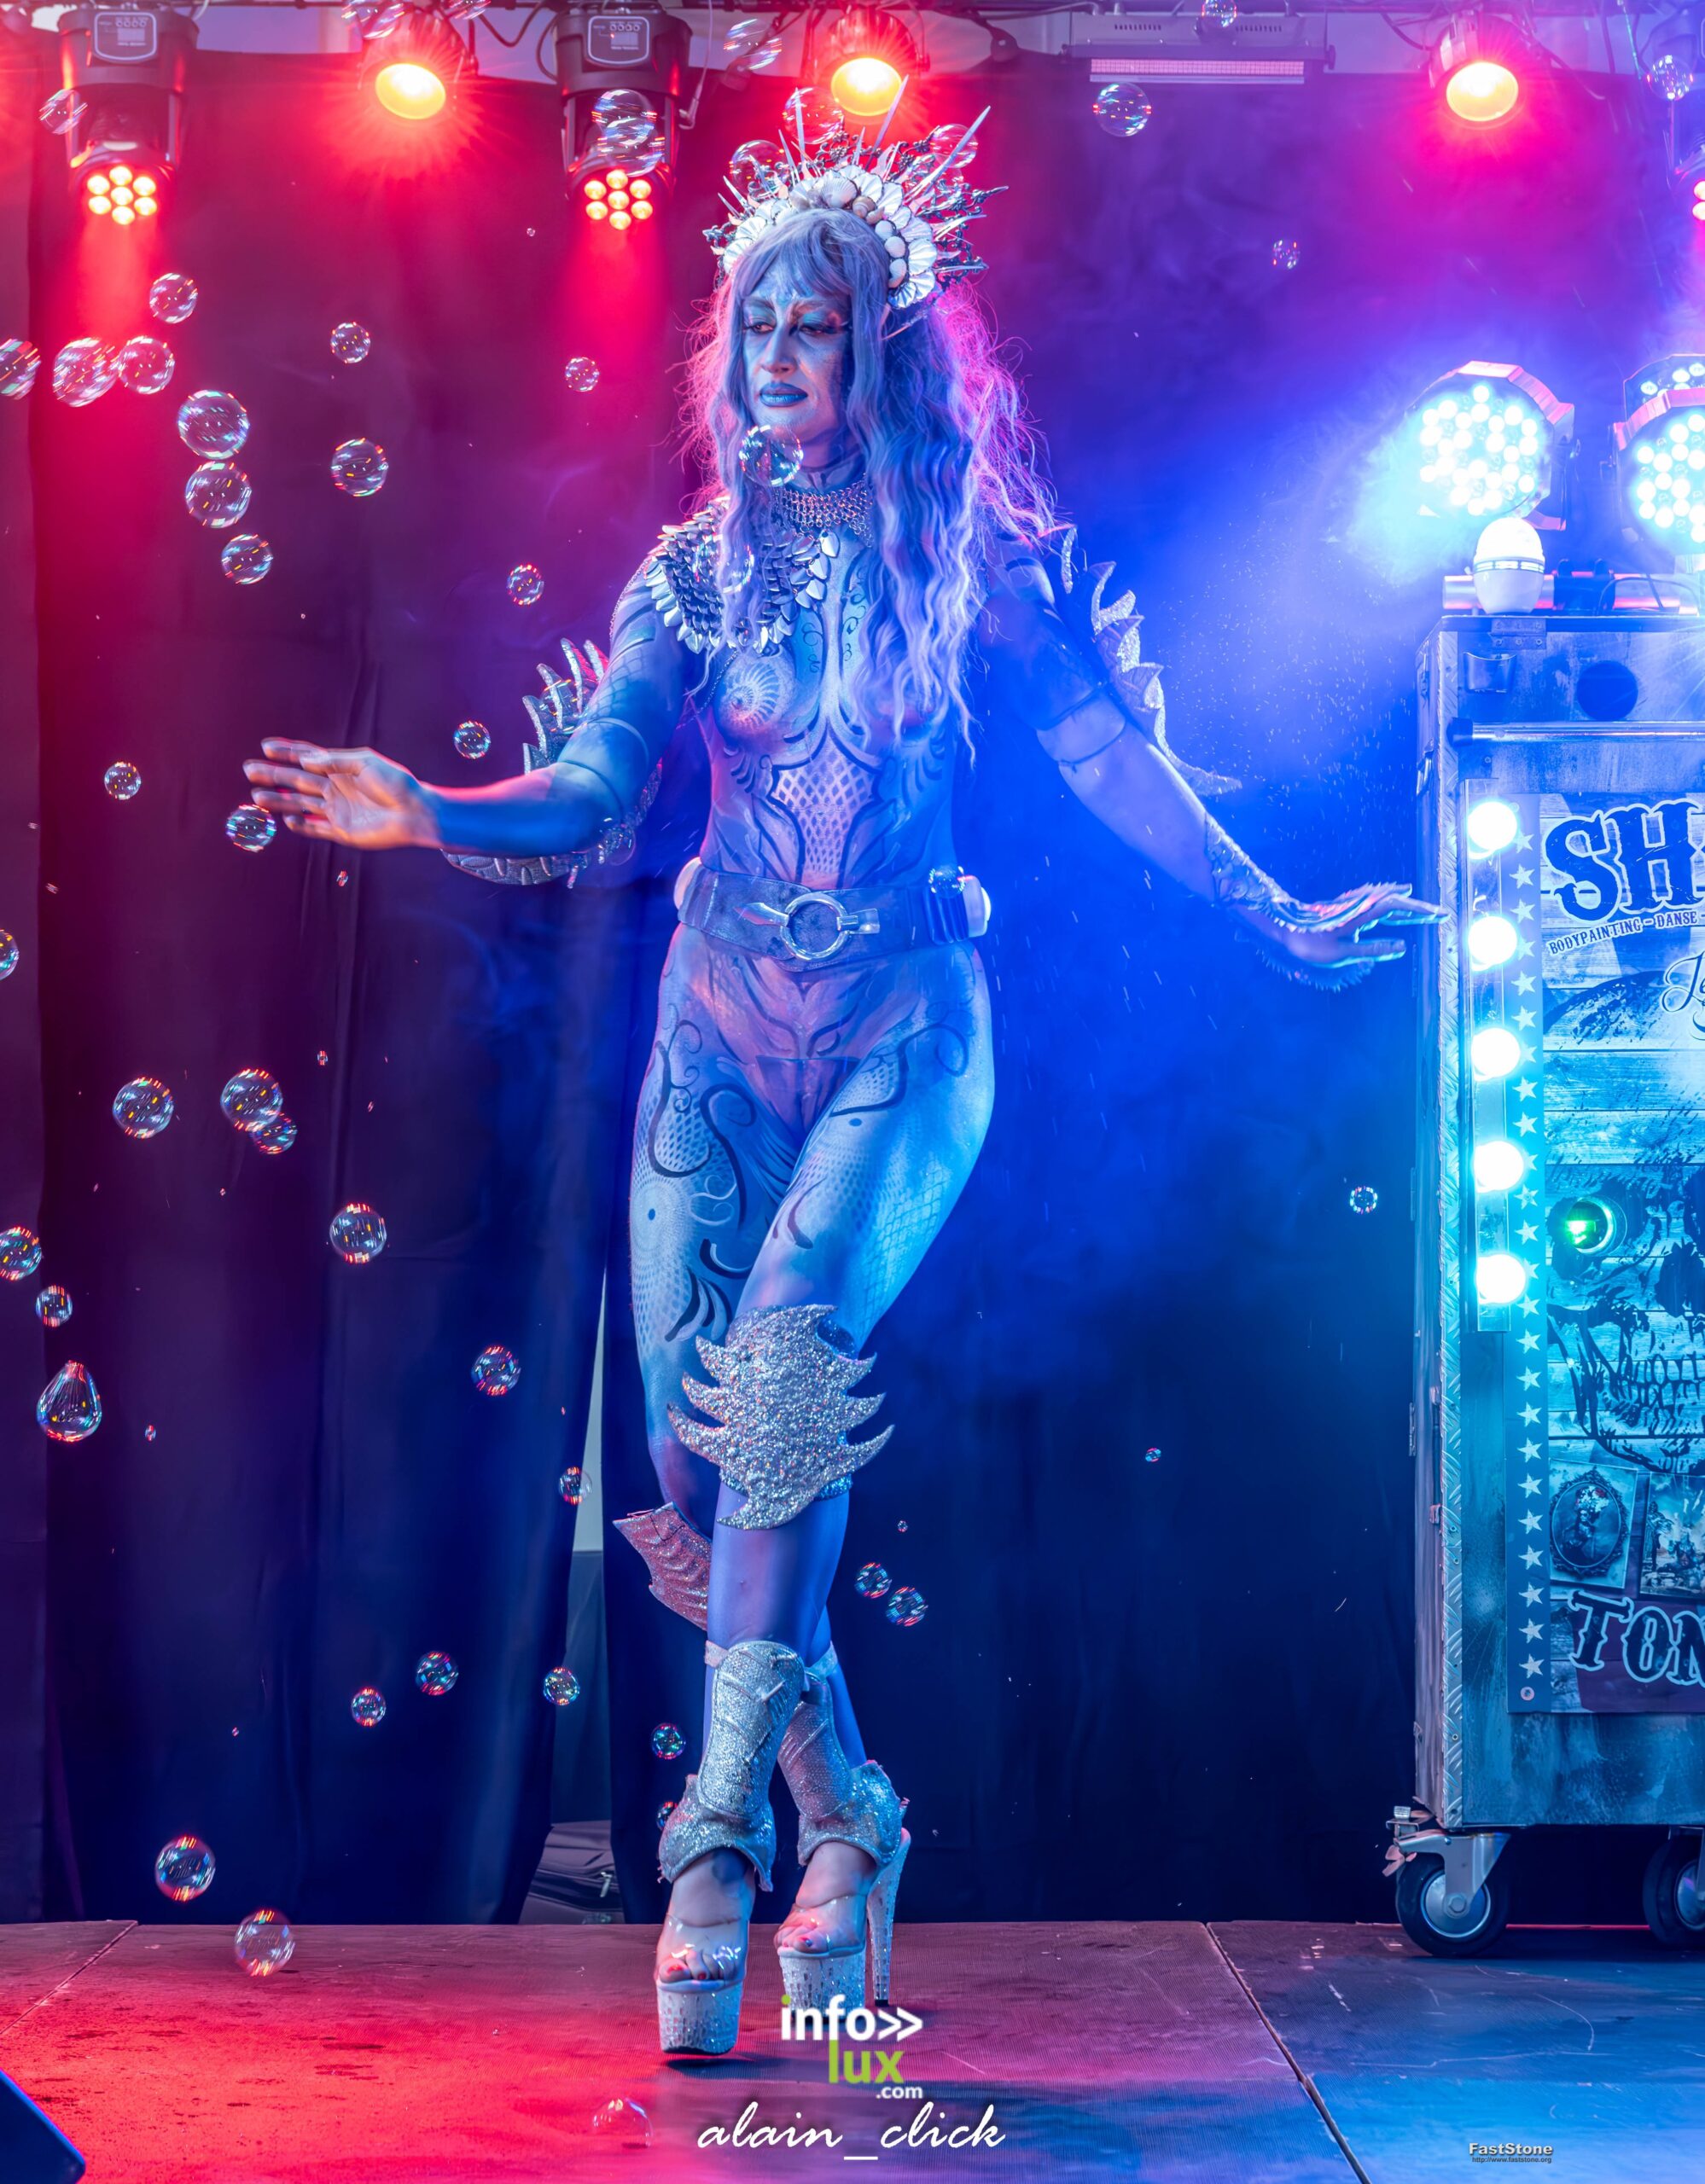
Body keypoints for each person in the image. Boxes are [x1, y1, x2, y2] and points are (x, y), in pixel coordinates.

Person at [242, 107, 1429, 2059]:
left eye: (819, 326)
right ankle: (847, 1813)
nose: (782, 358)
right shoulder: (692, 574)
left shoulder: (967, 561)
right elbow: (597, 792)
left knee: (788, 1341)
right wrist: (431, 807)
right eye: (760, 328)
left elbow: (1109, 763)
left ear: (881, 346)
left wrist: (1274, 908)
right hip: (716, 1019)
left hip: (907, 1017)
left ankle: (713, 1840)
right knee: (692, 1474)